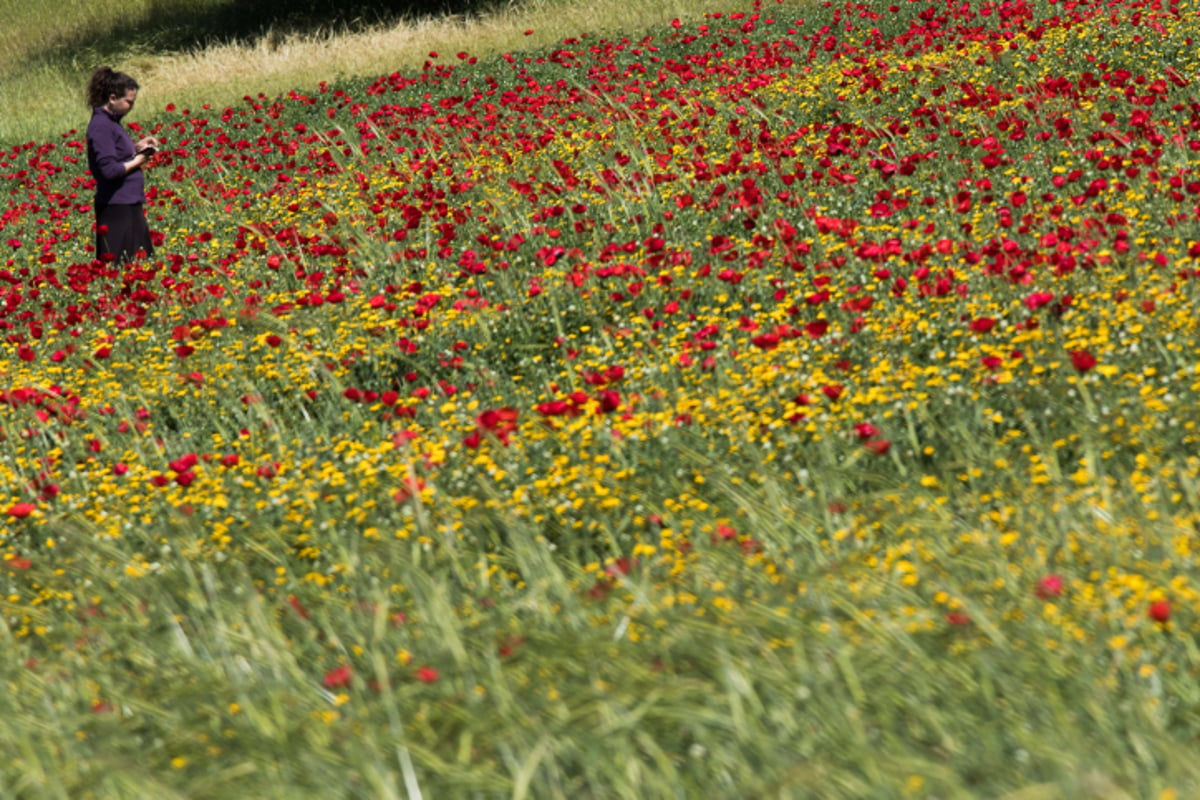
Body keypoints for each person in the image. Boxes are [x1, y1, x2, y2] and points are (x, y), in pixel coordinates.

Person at [85, 66, 160, 263]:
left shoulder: (111, 123)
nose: (131, 107)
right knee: (121, 265)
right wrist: (138, 160)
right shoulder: (101, 126)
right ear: (112, 98)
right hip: (117, 207)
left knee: (139, 265)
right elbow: (109, 170)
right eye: (129, 102)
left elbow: (117, 156)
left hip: (128, 202)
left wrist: (137, 147)